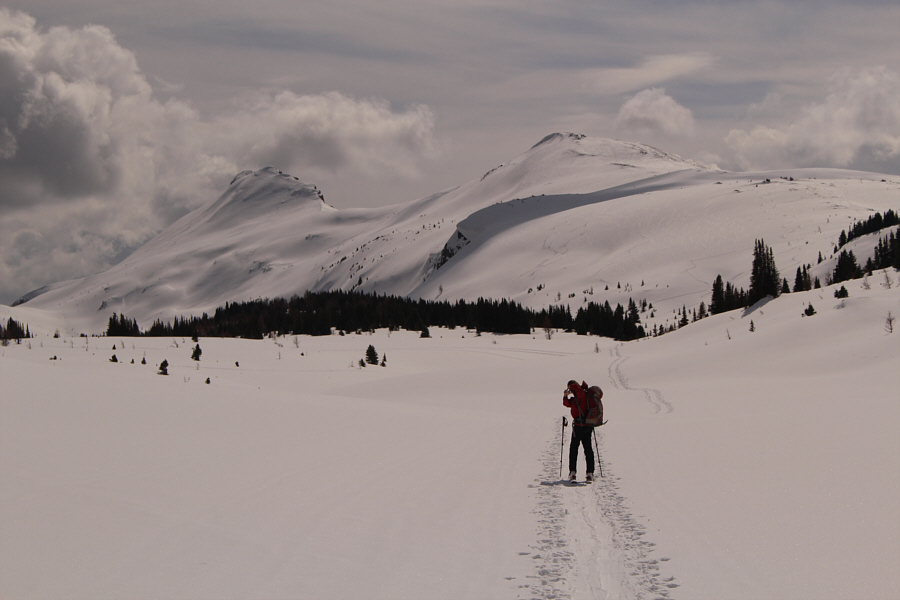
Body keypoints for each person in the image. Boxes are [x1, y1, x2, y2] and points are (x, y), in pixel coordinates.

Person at [563, 379, 595, 482]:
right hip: (587, 425)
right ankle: (590, 473)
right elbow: (567, 403)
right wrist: (565, 396)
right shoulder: (581, 396)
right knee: (588, 449)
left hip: (579, 426)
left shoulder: (580, 393)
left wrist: (571, 386)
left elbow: (577, 391)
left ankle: (573, 472)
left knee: (574, 449)